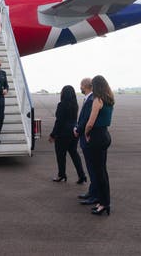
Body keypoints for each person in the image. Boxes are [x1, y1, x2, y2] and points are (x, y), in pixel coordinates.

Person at [85, 75, 114, 216]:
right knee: (102, 171)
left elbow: (90, 122)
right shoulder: (109, 100)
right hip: (105, 135)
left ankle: (104, 203)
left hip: (96, 136)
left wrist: (86, 133)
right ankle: (103, 201)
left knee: (99, 172)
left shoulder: (98, 100)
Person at [49, 85, 86, 183]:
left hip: (63, 134)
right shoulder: (75, 105)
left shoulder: (61, 105)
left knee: (61, 155)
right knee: (74, 154)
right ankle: (81, 175)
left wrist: (53, 134)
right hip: (73, 132)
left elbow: (59, 121)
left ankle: (61, 175)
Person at [74, 78, 98, 205]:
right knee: (90, 167)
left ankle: (94, 195)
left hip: (87, 137)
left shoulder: (90, 100)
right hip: (85, 136)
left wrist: (78, 129)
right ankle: (91, 191)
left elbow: (86, 119)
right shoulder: (89, 98)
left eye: (80, 85)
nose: (80, 88)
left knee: (92, 167)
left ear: (85, 86)